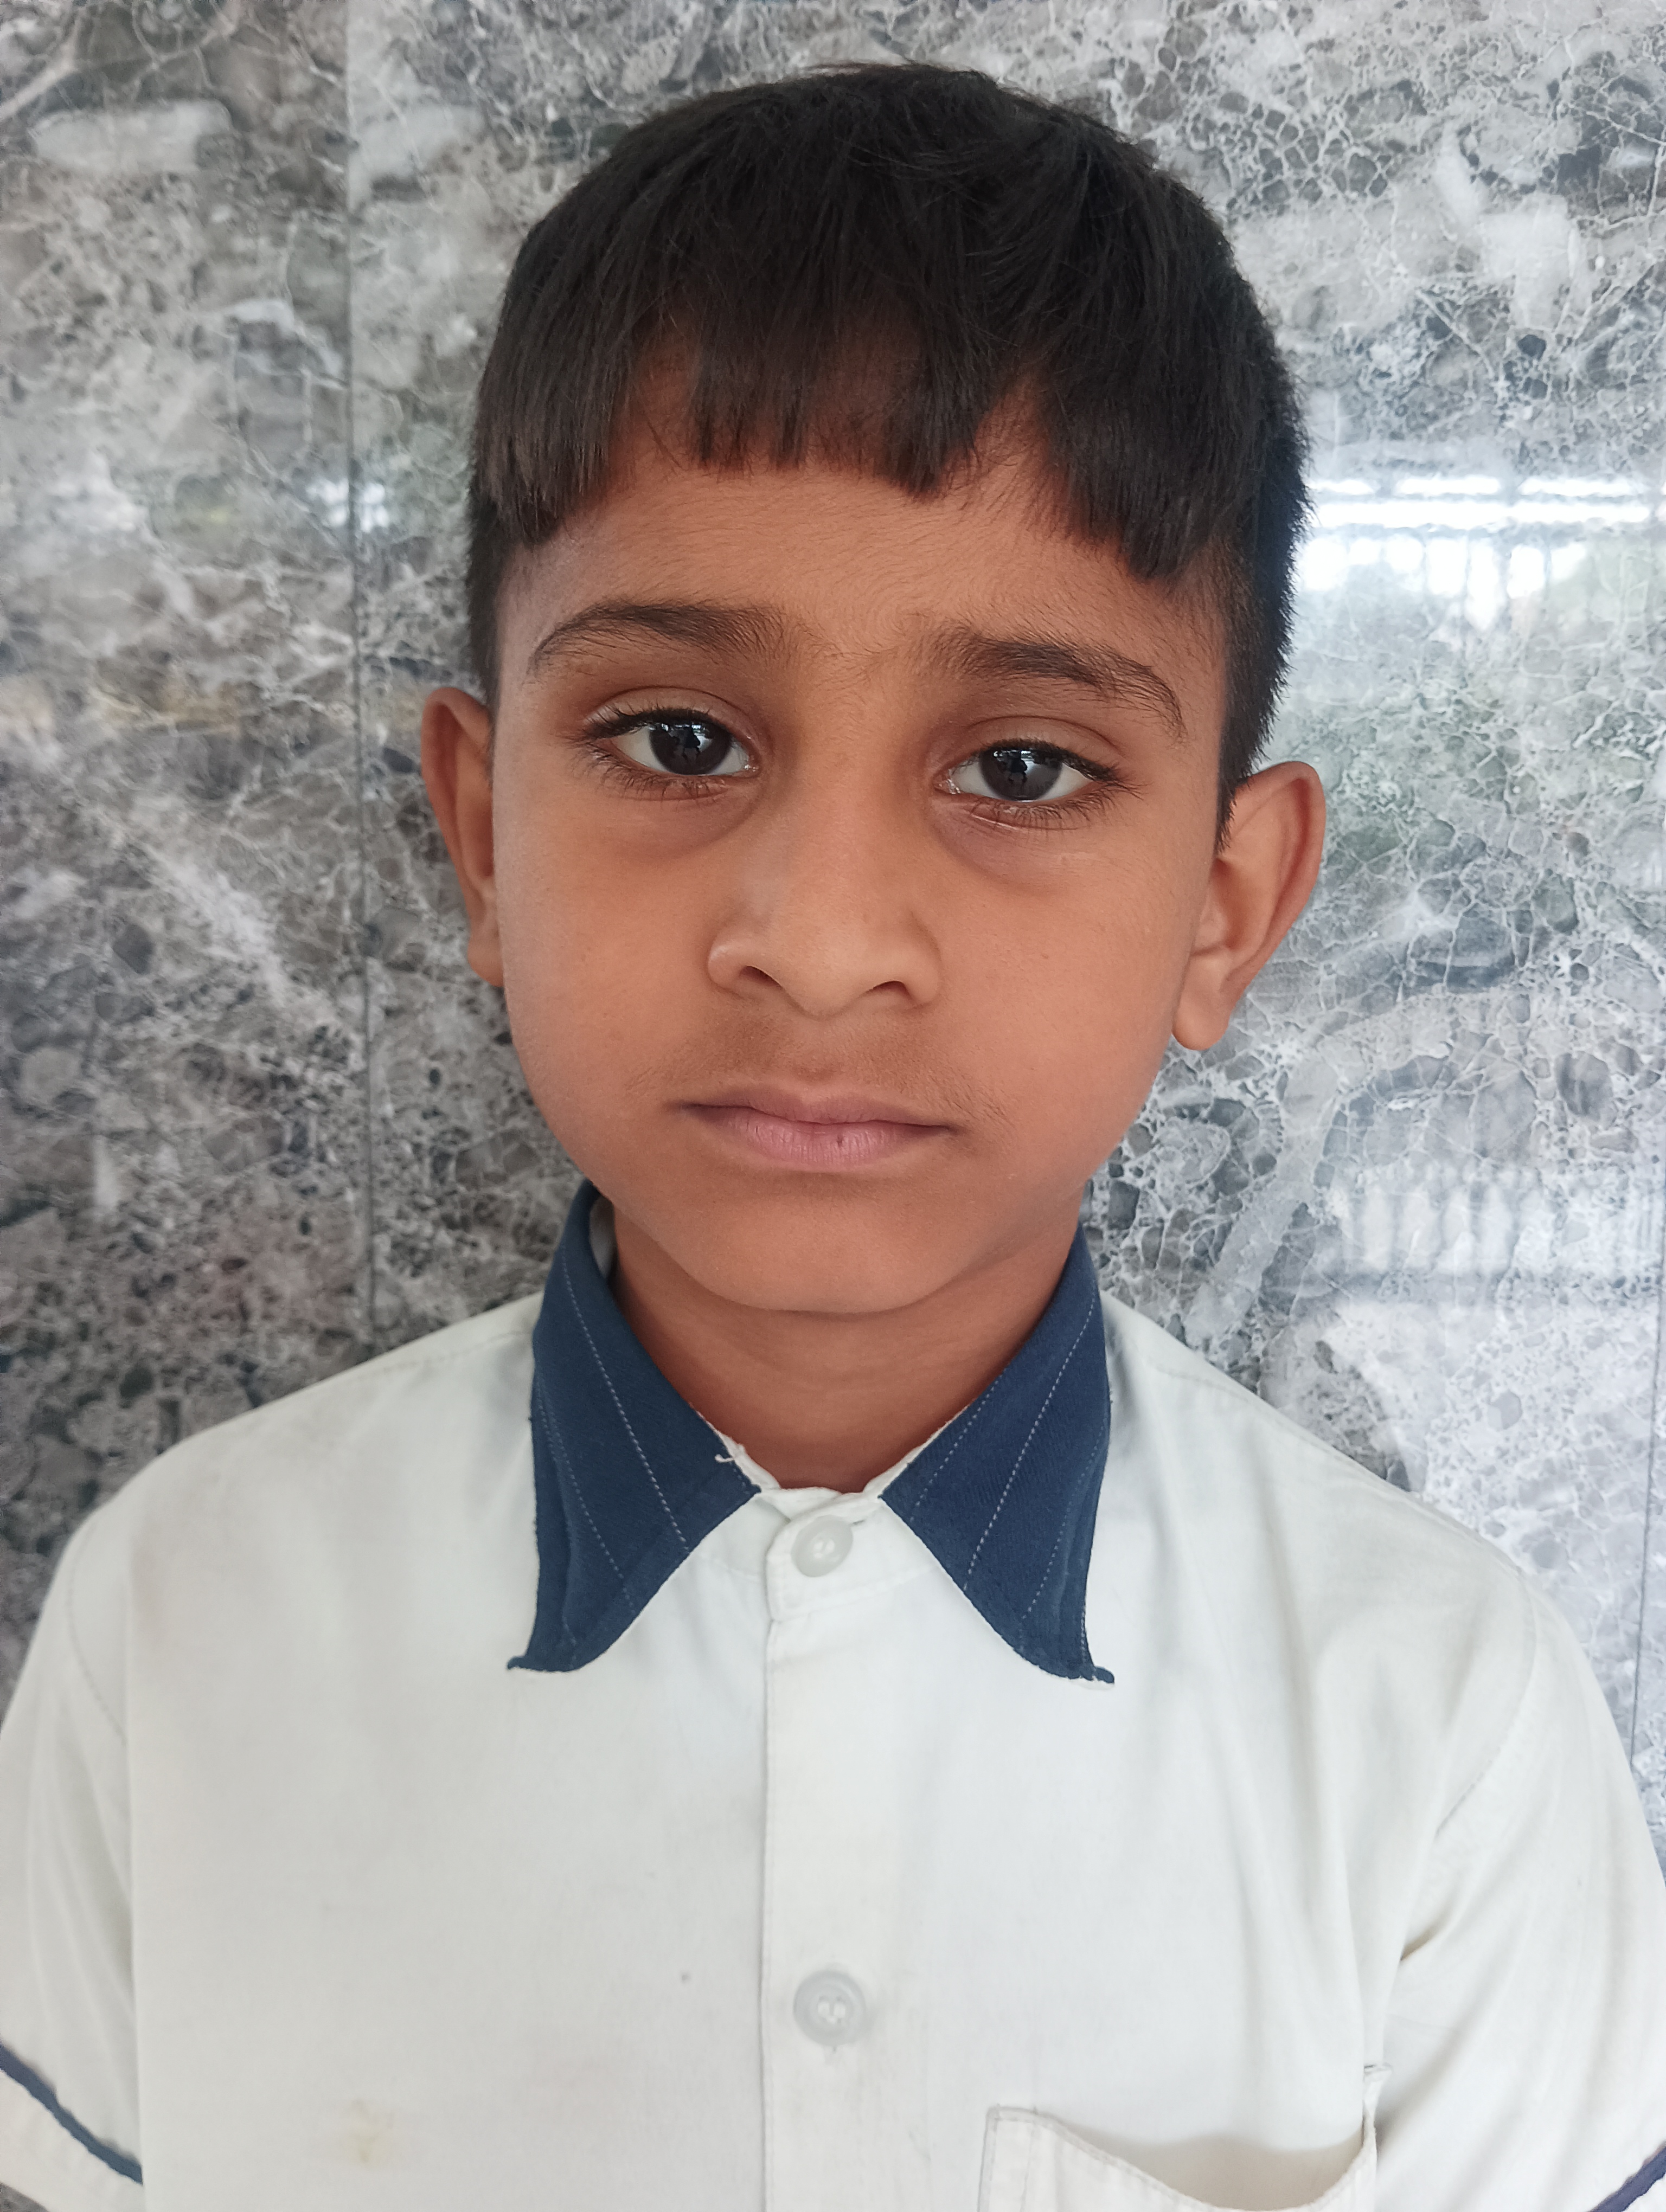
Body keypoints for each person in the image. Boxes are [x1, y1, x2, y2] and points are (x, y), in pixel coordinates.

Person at [0, 62, 1662, 2212]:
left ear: (1227, 905)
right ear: (484, 835)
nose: (820, 938)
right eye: (680, 738)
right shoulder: (183, 1629)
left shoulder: (1438, 1717)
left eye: (1024, 770)